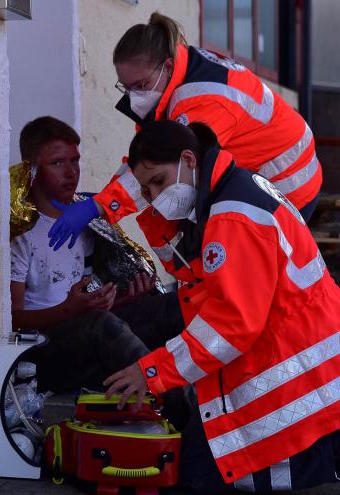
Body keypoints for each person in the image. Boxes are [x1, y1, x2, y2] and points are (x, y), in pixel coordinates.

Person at [103, 120, 340, 493]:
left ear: (188, 160)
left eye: (159, 182)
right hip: (308, 373)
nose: (154, 196)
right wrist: (154, 215)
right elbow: (196, 275)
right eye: (147, 191)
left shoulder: (232, 216)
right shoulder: (231, 192)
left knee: (200, 477)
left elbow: (230, 324)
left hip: (297, 384)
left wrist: (151, 373)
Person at [48, 12, 321, 252]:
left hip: (288, 184)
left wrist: (99, 207)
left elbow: (164, 164)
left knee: (246, 271)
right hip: (270, 171)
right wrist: (101, 199)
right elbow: (147, 161)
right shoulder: (178, 73)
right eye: (126, 87)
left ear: (166, 66)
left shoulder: (201, 101)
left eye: (140, 84)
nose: (134, 96)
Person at [10, 116, 183, 393]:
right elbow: (13, 318)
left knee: (174, 306)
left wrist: (125, 300)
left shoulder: (85, 224)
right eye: (57, 163)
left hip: (87, 332)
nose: (71, 173)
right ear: (31, 169)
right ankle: (175, 404)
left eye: (75, 161)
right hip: (44, 354)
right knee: (101, 325)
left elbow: (86, 301)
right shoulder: (22, 234)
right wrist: (70, 310)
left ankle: (200, 399)